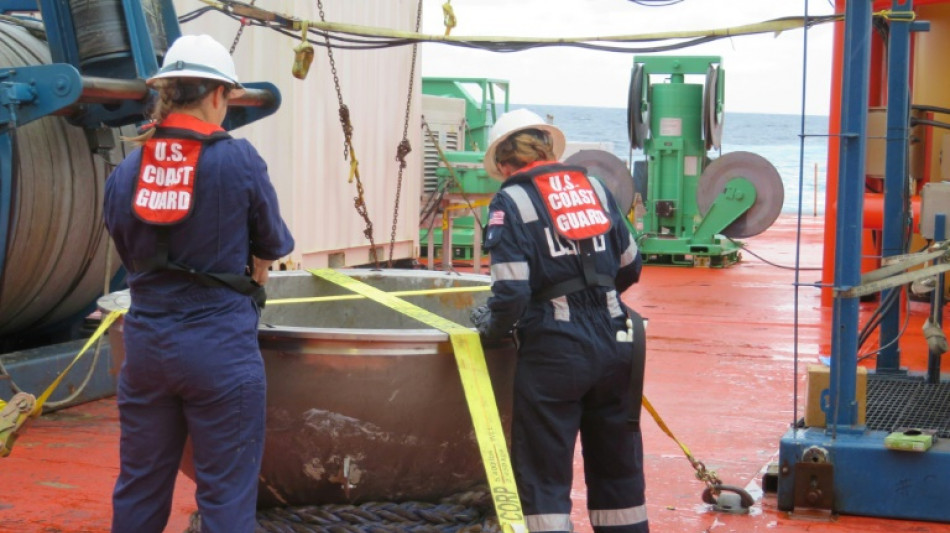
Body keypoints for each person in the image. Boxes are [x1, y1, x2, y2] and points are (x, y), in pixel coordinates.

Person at [103, 34, 294, 533]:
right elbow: (273, 244)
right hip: (220, 350)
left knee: (140, 484)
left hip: (145, 349)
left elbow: (128, 248)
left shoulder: (126, 170)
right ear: (217, 94)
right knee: (226, 496)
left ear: (167, 93)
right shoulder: (239, 160)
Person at [470, 109, 648, 533]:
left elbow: (511, 292)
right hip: (618, 345)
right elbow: (630, 267)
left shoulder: (511, 200)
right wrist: (594, 300)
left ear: (502, 164)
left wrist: (490, 332)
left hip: (555, 351)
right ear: (548, 148)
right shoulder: (596, 189)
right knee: (618, 471)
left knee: (544, 476)